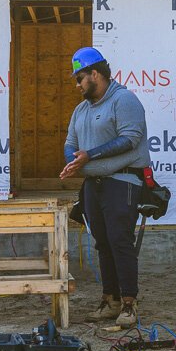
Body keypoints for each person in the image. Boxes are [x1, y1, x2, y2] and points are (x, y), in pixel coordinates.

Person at [60, 46, 151, 328]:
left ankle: (128, 304)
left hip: (122, 181)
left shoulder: (124, 100)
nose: (77, 85)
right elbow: (70, 144)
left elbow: (130, 139)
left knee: (120, 241)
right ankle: (110, 300)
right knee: (102, 243)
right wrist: (72, 162)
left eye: (79, 78)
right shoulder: (81, 110)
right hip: (94, 185)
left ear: (95, 74)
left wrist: (91, 155)